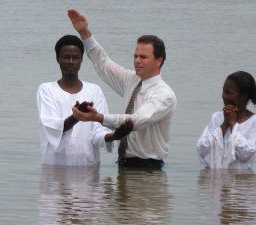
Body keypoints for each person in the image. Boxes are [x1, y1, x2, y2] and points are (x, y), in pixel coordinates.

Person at [67, 9, 177, 168]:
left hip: (148, 170)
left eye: (143, 57)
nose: (137, 61)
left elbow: (135, 122)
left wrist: (99, 117)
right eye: (135, 56)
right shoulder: (132, 80)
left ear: (159, 60)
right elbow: (104, 65)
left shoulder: (165, 95)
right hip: (123, 165)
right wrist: (84, 32)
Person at [37, 34, 133, 166]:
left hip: (88, 168)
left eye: (75, 57)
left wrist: (115, 136)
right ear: (57, 59)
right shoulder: (47, 90)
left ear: (81, 60)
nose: (70, 61)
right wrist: (77, 117)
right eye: (65, 57)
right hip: (55, 168)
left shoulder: (94, 91)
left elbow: (98, 132)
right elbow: (52, 127)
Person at [197, 71, 256, 170]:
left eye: (229, 93)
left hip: (242, 184)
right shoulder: (217, 118)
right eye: (224, 91)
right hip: (216, 182)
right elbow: (202, 149)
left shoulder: (253, 122)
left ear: (243, 96)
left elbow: (246, 154)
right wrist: (224, 125)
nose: (224, 96)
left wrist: (233, 124)